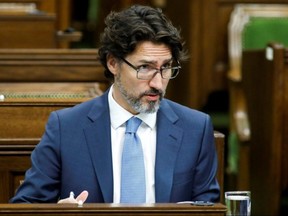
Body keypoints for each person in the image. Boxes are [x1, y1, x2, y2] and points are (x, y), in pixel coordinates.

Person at [10, 4, 220, 204]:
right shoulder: (66, 128)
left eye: (166, 67)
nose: (157, 83)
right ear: (113, 63)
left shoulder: (195, 128)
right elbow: (25, 206)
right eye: (145, 67)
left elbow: (208, 208)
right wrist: (59, 214)